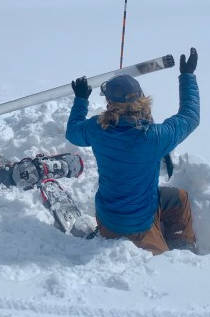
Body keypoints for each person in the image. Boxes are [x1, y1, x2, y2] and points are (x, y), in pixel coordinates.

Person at [65, 48, 200, 255]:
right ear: (141, 100)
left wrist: (81, 99)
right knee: (177, 206)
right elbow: (190, 117)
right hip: (139, 226)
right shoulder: (156, 137)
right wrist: (187, 76)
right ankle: (182, 253)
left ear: (110, 104)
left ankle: (110, 232)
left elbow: (73, 132)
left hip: (107, 217)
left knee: (177, 196)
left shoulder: (96, 129)